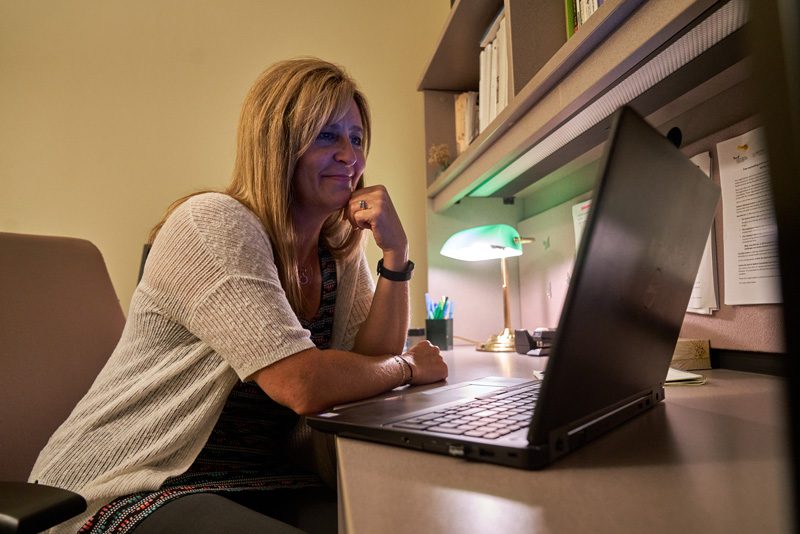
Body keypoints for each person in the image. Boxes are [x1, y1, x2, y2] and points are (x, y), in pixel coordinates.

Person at [29, 57, 448, 534]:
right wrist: (410, 368)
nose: (350, 156)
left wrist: (396, 253)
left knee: (395, 522)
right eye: (327, 135)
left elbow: (369, 362)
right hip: (132, 484)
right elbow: (304, 386)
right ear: (278, 144)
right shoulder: (214, 224)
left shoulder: (338, 251)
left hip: (256, 479)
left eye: (356, 138)